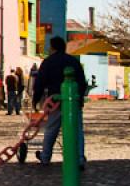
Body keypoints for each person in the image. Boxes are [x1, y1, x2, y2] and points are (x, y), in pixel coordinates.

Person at [32, 36, 89, 168]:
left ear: (53, 47)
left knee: (51, 129)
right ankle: (80, 158)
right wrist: (79, 99)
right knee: (77, 131)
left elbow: (40, 83)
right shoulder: (73, 61)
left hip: (55, 102)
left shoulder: (48, 62)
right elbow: (82, 82)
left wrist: (36, 99)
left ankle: (45, 157)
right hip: (73, 102)